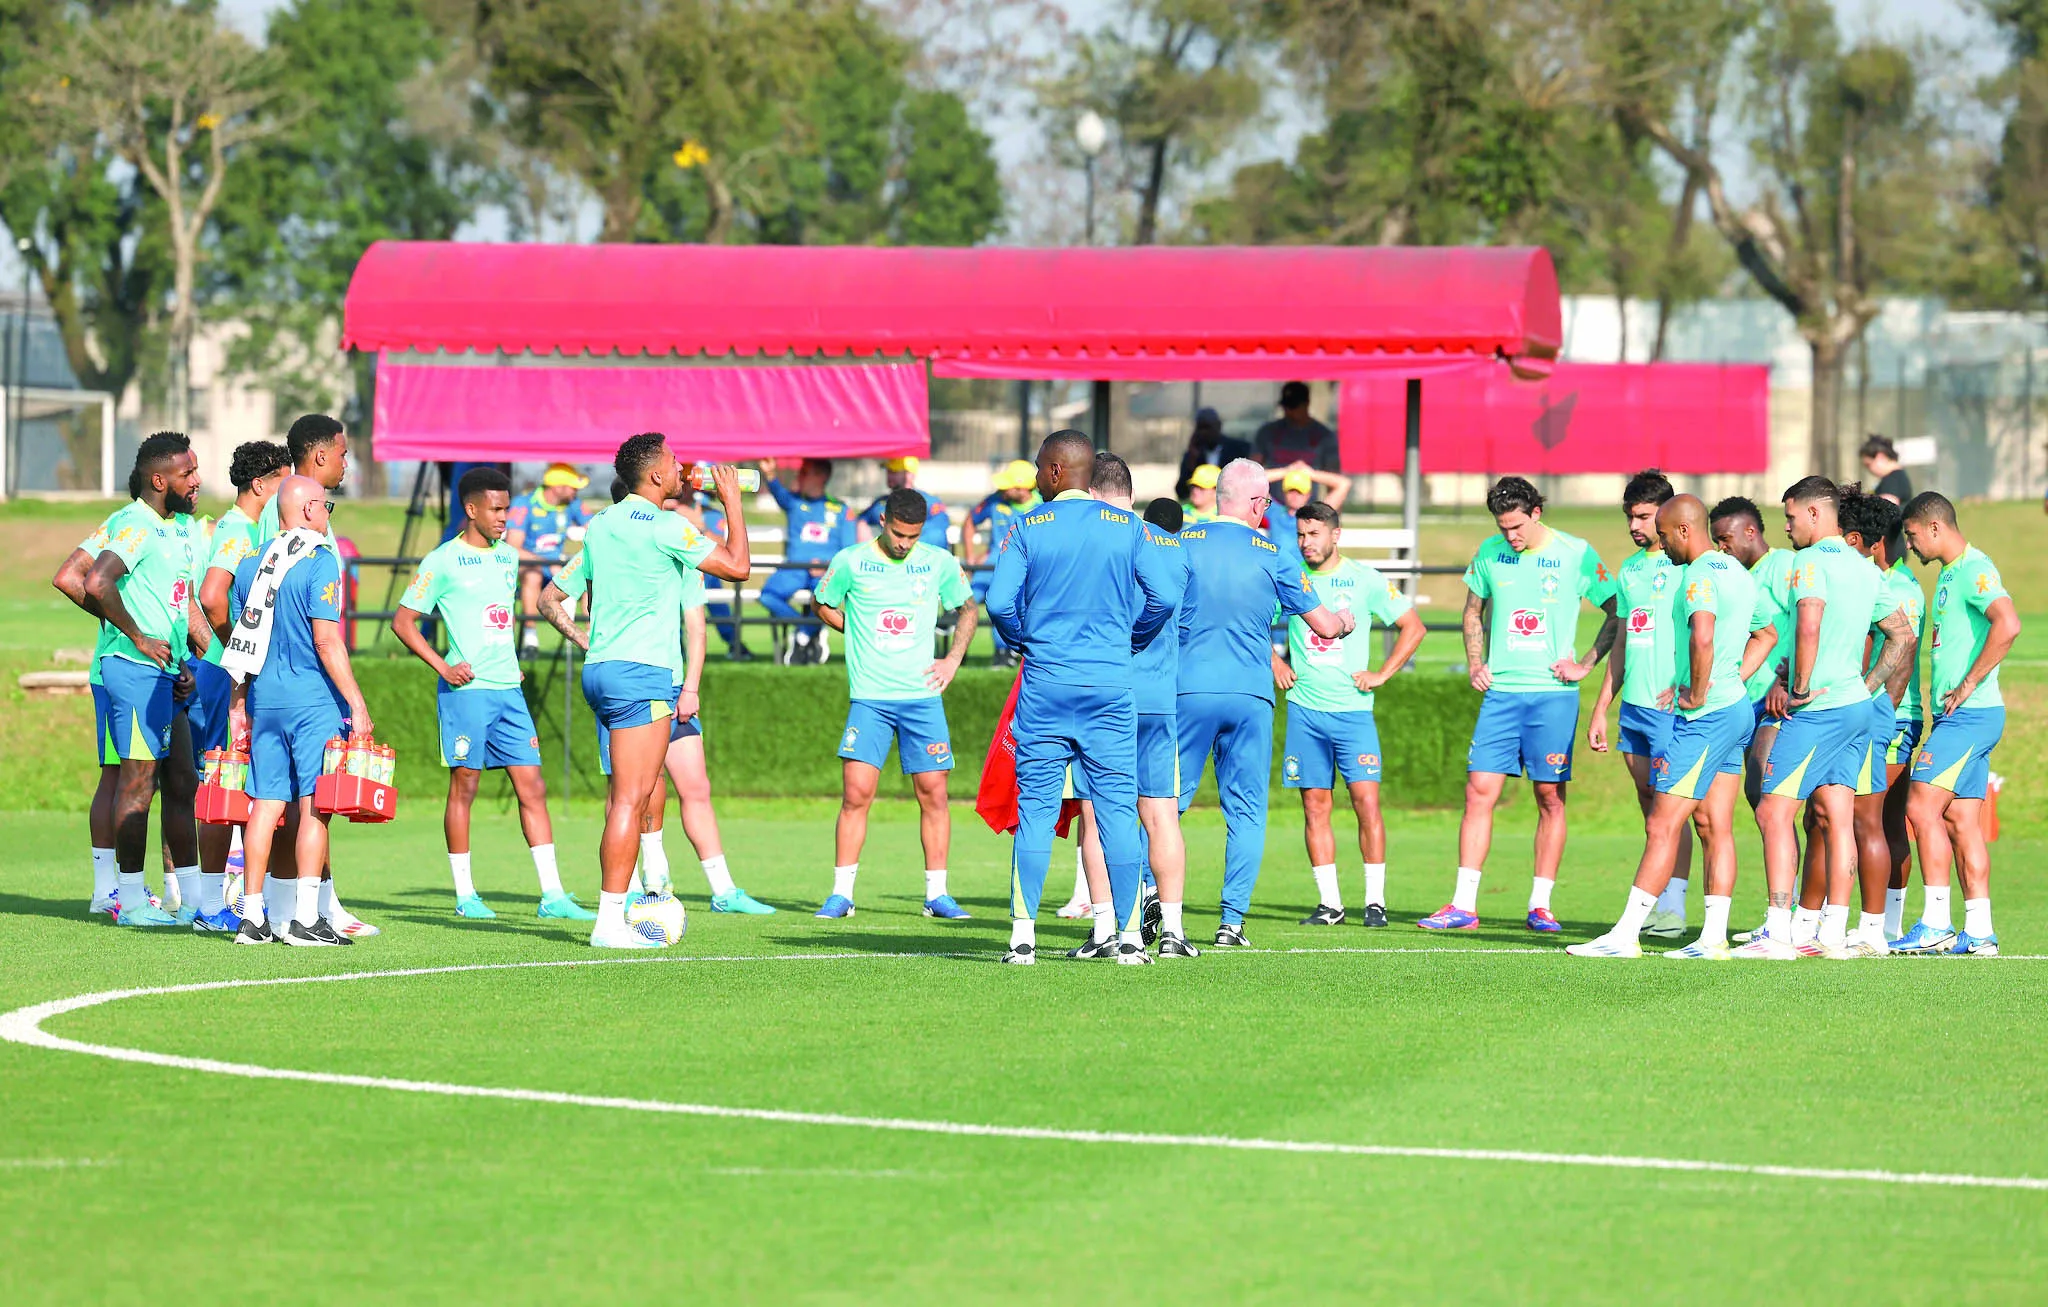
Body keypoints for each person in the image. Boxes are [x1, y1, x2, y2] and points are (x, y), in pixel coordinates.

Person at [985, 430, 1181, 965]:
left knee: (1036, 813)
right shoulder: (1128, 527)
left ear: (1054, 472)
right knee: (1118, 812)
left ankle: (1022, 939)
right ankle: (1130, 940)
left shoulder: (1027, 525)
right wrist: (1133, 638)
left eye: (1037, 468)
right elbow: (1164, 595)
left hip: (1046, 686)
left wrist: (1023, 637)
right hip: (1110, 689)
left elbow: (999, 602)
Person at [545, 487, 774, 915]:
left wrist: (690, 685)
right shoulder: (610, 538)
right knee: (629, 791)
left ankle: (721, 889)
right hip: (631, 677)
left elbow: (697, 625)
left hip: (664, 680)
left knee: (689, 786)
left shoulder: (666, 544)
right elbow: (549, 598)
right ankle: (633, 889)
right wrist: (586, 640)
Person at [1569, 495, 1778, 958]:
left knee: (1663, 824)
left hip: (1705, 718)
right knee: (1714, 824)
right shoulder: (1737, 574)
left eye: (1664, 535)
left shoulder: (1699, 577)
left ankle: (1624, 937)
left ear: (1684, 530)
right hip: (1737, 710)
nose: (1661, 545)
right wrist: (1733, 680)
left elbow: (1702, 635)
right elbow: (1767, 634)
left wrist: (1701, 691)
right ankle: (1712, 938)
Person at [571, 435, 751, 948]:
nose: (681, 469)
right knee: (631, 799)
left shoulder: (600, 523)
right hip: (642, 671)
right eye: (674, 463)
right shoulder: (669, 526)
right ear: (654, 476)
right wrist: (732, 503)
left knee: (631, 795)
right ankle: (609, 924)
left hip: (600, 667)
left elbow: (583, 595)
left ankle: (640, 893)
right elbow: (738, 567)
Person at [393, 467, 594, 922]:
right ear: (471, 509)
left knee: (533, 788)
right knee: (465, 787)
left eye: (508, 507)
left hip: (509, 692)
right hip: (466, 695)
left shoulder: (508, 557)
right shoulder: (441, 561)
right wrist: (444, 666)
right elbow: (402, 622)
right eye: (497, 509)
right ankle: (466, 895)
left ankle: (553, 895)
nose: (506, 516)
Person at [1421, 476, 1618, 933]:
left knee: (1549, 796)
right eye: (1503, 527)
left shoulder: (1576, 553)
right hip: (1502, 695)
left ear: (1536, 513)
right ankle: (1464, 906)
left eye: (1517, 526)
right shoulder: (1490, 552)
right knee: (1478, 792)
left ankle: (1540, 905)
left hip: (1553, 697)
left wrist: (1586, 663)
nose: (1511, 536)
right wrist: (1475, 663)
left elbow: (1617, 611)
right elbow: (1473, 611)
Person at [1732, 477, 1912, 960]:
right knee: (1836, 813)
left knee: (1774, 810)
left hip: (1821, 708)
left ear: (1814, 514)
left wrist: (1801, 688)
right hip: (1857, 707)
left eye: (1790, 517)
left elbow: (1808, 620)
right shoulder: (1864, 567)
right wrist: (1869, 686)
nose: (1786, 528)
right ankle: (1831, 935)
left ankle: (1778, 932)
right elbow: (1902, 635)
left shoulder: (1807, 563)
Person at [1177, 459, 1353, 947]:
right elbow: (1322, 625)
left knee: (1166, 803)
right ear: (1257, 505)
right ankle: (1231, 923)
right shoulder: (1273, 552)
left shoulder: (1182, 543)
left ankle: (1158, 905)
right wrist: (1343, 619)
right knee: (1247, 811)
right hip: (1251, 695)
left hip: (1187, 690)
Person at [810, 487, 978, 920]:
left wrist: (952, 661)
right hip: (870, 698)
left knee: (934, 795)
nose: (905, 543)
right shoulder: (850, 560)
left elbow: (968, 609)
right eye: (899, 533)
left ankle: (936, 894)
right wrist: (858, 630)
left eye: (913, 536)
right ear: (883, 521)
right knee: (856, 794)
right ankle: (841, 895)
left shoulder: (938, 561)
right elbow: (822, 602)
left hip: (922, 699)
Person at [224, 475, 374, 946]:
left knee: (265, 805)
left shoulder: (251, 562)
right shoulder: (320, 559)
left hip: (265, 698)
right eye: (326, 505)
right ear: (309, 509)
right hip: (311, 700)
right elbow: (327, 641)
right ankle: (306, 919)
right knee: (314, 806)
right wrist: (357, 703)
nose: (329, 512)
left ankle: (252, 915)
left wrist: (239, 702)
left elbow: (241, 639)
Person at [1272, 501, 1424, 927]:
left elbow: (1414, 626)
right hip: (1305, 710)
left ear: (1335, 535)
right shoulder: (1289, 577)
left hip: (1354, 713)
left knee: (1366, 804)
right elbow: (1250, 621)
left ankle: (1375, 902)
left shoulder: (1365, 579)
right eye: (1300, 534)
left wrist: (1382, 674)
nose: (1305, 543)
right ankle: (1330, 905)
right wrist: (1275, 662)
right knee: (1315, 808)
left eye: (1313, 534)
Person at [1069, 458, 1196, 958]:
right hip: (1160, 699)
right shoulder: (1173, 546)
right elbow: (1183, 619)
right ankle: (1173, 933)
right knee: (1161, 813)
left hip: (1108, 694)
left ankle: (1106, 930)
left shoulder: (1101, 539)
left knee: (1098, 813)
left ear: (1096, 493)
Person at [79, 434, 204, 928]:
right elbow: (95, 581)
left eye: (195, 471)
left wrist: (183, 662)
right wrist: (137, 638)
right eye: (186, 474)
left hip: (166, 674)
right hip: (132, 672)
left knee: (182, 781)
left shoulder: (178, 527)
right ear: (159, 480)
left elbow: (175, 600)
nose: (196, 481)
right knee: (137, 783)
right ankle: (128, 901)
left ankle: (197, 900)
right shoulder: (134, 523)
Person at [1894, 492, 2020, 955]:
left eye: (1911, 535)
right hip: (1966, 716)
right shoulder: (1950, 572)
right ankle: (1980, 930)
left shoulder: (1974, 568)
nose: (1909, 546)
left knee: (1921, 807)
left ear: (1934, 527)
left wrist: (1967, 684)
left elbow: (2008, 623)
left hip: (1968, 715)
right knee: (1960, 819)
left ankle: (1935, 922)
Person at [1587, 471, 1693, 939]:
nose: (1635, 524)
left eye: (1644, 516)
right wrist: (1600, 708)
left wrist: (1690, 686)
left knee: (1675, 810)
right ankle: (1656, 900)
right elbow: (1625, 642)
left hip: (1675, 708)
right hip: (1634, 708)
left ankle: (1675, 907)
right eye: (1630, 516)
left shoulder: (1689, 567)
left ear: (1666, 515)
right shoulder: (1630, 570)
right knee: (1650, 805)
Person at [759, 456, 856, 665]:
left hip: (825, 572)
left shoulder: (841, 510)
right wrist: (769, 474)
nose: (799, 476)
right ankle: (807, 631)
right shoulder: (794, 502)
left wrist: (825, 565)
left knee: (823, 602)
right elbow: (777, 491)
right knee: (767, 595)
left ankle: (804, 637)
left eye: (805, 472)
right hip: (794, 569)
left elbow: (849, 551)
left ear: (821, 477)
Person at [504, 463, 595, 658]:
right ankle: (530, 638)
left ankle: (592, 638)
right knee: (532, 575)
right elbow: (513, 547)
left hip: (559, 569)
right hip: (532, 567)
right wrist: (546, 564)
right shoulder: (524, 504)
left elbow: (596, 529)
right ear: (558, 487)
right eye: (573, 486)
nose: (576, 491)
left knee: (589, 579)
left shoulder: (573, 503)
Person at [966, 460, 1041, 668]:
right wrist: (972, 555)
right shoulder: (994, 501)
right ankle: (955, 645)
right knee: (966, 601)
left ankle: (1006, 653)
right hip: (991, 564)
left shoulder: (1043, 505)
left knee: (1009, 605)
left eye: (1008, 486)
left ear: (1022, 489)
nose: (1003, 489)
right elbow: (970, 521)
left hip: (1025, 568)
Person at [1262, 464, 1351, 569]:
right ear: (1283, 493)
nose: (1295, 496)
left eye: (1300, 492)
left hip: (1308, 576)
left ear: (1308, 494)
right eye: (1291, 491)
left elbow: (1344, 484)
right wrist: (1286, 471)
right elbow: (1254, 481)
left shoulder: (1317, 513)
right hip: (1280, 575)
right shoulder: (1274, 511)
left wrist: (1312, 474)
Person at [858, 457, 952, 551]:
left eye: (895, 472)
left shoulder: (930, 503)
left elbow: (937, 534)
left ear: (910, 475)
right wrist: (861, 524)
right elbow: (859, 520)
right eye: (889, 471)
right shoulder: (881, 503)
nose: (889, 476)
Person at [1252, 381, 1339, 471]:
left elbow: (1333, 472)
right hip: (1274, 483)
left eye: (1294, 407)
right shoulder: (1268, 432)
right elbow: (1253, 468)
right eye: (1286, 407)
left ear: (1306, 404)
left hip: (1308, 483)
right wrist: (1285, 471)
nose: (1289, 411)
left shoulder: (1324, 435)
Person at [1176, 406, 1252, 499]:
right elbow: (1181, 492)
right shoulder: (1193, 455)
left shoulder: (1239, 449)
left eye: (1207, 427)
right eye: (1200, 428)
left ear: (1218, 426)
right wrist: (1192, 460)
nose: (1204, 432)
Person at [1860, 435, 1912, 505]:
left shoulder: (1891, 480)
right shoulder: (1898, 477)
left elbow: (1886, 510)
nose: (1868, 469)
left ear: (1880, 456)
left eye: (1868, 464)